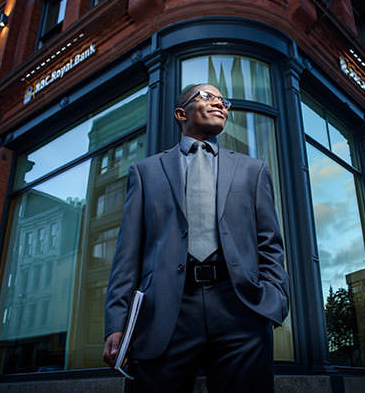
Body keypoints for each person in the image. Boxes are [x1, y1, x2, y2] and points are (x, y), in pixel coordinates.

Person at [103, 83, 289, 393]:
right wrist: (117, 321)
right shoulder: (145, 172)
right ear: (180, 113)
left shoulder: (253, 170)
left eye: (223, 100)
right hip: (165, 311)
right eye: (207, 96)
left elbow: (269, 244)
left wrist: (273, 299)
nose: (220, 104)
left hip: (240, 306)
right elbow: (127, 253)